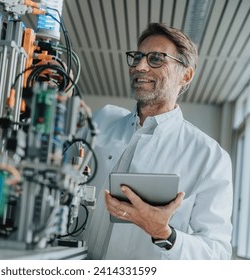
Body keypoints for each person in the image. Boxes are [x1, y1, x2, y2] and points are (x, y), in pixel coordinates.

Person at [82, 23, 233, 259]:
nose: (140, 67)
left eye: (156, 59)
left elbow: (218, 255)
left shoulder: (209, 156)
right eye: (137, 57)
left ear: (186, 74)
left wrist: (164, 233)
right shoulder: (102, 120)